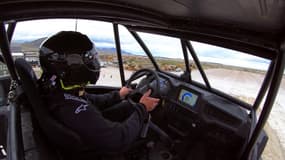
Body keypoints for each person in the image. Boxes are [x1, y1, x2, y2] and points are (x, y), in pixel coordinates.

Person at [38, 31, 160, 153]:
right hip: (98, 151)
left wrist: (118, 95)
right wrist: (143, 108)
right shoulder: (73, 109)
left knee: (126, 106)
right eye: (91, 58)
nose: (95, 62)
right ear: (74, 64)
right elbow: (118, 139)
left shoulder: (61, 91)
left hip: (86, 142)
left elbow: (89, 99)